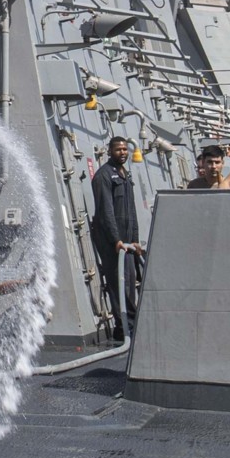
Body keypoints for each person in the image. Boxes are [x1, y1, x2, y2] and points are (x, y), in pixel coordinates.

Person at [90, 136, 144, 339]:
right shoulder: (104, 176)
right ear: (110, 151)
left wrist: (135, 239)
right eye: (118, 149)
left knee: (129, 283)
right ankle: (124, 329)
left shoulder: (124, 175)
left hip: (127, 241)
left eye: (124, 149)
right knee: (118, 284)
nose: (122, 153)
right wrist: (116, 240)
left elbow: (131, 211)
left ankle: (129, 326)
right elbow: (106, 211)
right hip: (113, 242)